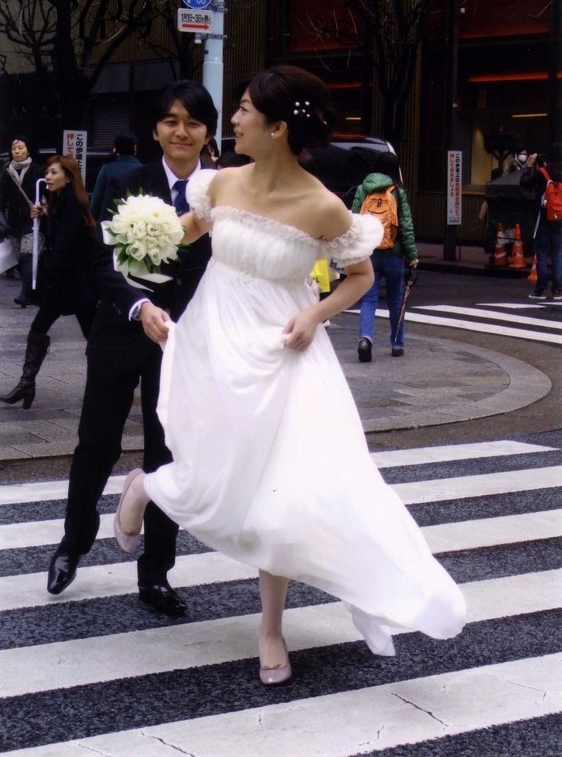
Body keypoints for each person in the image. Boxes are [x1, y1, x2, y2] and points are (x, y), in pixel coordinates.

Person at [113, 65, 466, 684]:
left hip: (284, 349)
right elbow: (186, 235)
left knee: (280, 499)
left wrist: (314, 314)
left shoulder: (322, 205)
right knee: (214, 468)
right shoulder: (222, 183)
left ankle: (270, 628)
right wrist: (140, 243)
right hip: (217, 341)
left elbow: (359, 278)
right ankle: (147, 487)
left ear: (277, 127)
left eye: (246, 110)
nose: (235, 119)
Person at [45, 80, 218, 618]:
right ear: (155, 130)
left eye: (192, 122)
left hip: (185, 340)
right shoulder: (125, 182)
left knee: (167, 453)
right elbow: (102, 261)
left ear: (207, 132)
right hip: (121, 330)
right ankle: (73, 542)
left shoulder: (222, 191)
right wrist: (139, 307)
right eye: (171, 121)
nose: (181, 131)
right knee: (96, 442)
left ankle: (156, 572)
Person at [0, 155, 99, 410]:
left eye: (54, 173)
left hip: (75, 282)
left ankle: (102, 385)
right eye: (47, 172)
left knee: (91, 335)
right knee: (41, 328)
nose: (48, 177)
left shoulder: (73, 202)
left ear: (68, 177)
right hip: (66, 282)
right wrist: (42, 216)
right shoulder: (59, 200)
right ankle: (26, 383)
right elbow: (55, 235)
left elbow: (64, 242)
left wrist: (47, 276)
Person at [354, 152, 418, 361]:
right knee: (396, 299)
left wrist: (355, 249)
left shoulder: (363, 189)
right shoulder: (398, 191)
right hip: (394, 253)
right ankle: (397, 344)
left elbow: (354, 219)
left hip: (369, 252)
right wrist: (412, 255)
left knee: (369, 297)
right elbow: (405, 225)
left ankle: (365, 339)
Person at [0, 136, 44, 306]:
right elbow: (2, 198)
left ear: (28, 150)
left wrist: (42, 207)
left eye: (20, 148)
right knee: (19, 257)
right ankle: (32, 291)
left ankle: (24, 294)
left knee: (28, 255)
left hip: (33, 220)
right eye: (14, 148)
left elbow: (45, 194)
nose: (17, 151)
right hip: (13, 221)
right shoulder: (7, 172)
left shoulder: (38, 170)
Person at [520, 143, 562, 301]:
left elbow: (524, 183)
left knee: (542, 252)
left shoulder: (542, 172)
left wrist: (530, 166)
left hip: (543, 217)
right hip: (560, 218)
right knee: (558, 253)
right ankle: (558, 289)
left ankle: (540, 289)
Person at [89, 132, 141, 220]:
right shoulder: (141, 168)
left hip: (108, 219)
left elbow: (97, 197)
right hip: (134, 221)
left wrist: (91, 217)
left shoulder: (107, 167)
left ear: (116, 147)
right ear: (135, 148)